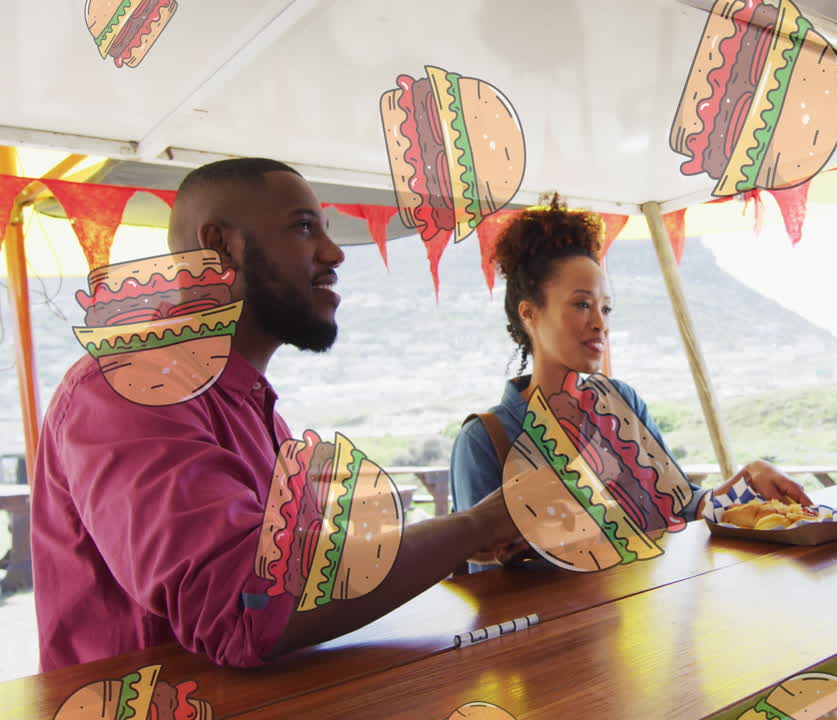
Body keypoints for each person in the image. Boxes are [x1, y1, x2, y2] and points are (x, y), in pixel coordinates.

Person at [31, 158, 519, 672]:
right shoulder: (130, 389)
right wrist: (472, 526)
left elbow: (306, 576)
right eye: (303, 227)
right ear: (219, 246)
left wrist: (460, 538)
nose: (334, 255)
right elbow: (246, 608)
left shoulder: (252, 406)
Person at [449, 196, 812, 570]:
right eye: (581, 305)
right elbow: (486, 583)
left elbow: (683, 505)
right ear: (530, 314)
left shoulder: (622, 403)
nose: (600, 323)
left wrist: (746, 482)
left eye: (605, 308)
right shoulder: (486, 439)